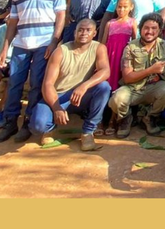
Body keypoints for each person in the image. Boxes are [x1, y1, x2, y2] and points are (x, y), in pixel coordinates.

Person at [0, 0, 66, 143]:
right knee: (15, 82)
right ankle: (10, 122)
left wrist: (54, 41)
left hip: (44, 43)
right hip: (21, 44)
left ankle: (28, 122)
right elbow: (13, 23)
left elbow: (60, 16)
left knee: (36, 83)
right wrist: (5, 49)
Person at [30, 19, 111, 151]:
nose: (83, 33)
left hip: (81, 95)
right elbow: (48, 84)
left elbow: (105, 71)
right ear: (74, 32)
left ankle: (87, 132)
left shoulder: (99, 48)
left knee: (104, 87)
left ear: (94, 33)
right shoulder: (60, 51)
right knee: (38, 126)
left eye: (88, 30)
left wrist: (84, 86)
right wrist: (56, 108)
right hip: (58, 96)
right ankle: (49, 129)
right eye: (80, 30)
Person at [109, 13, 165, 138]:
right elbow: (128, 77)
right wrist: (151, 70)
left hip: (154, 88)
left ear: (160, 31)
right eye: (146, 28)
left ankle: (149, 117)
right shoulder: (130, 47)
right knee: (117, 99)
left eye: (154, 28)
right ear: (140, 29)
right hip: (133, 89)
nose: (149, 31)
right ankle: (126, 118)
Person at [97, 0, 137, 135]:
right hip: (109, 60)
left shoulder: (132, 23)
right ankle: (101, 120)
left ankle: (114, 121)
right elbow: (102, 43)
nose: (121, 9)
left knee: (118, 90)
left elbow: (135, 43)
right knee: (105, 88)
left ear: (131, 7)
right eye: (119, 6)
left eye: (125, 6)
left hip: (123, 61)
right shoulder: (110, 23)